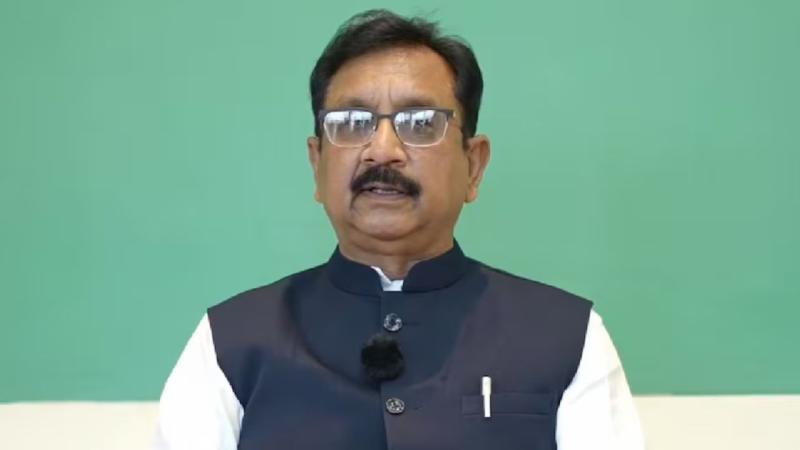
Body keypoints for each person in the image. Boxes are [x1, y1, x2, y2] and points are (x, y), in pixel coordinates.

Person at [153, 9, 644, 450]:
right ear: (317, 165)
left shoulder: (567, 338)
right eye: (352, 122)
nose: (382, 150)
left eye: (420, 122)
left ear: (474, 166)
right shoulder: (230, 345)